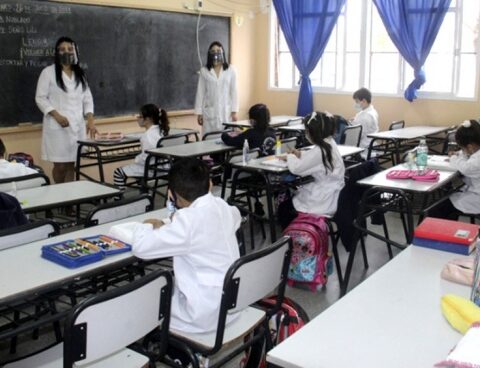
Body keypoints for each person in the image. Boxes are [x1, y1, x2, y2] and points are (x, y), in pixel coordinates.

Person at [131, 157, 241, 333]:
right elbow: (234, 217)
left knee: (143, 302)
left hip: (204, 314)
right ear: (210, 184)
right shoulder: (222, 206)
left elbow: (141, 248)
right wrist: (176, 220)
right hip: (234, 304)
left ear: (172, 195)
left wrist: (146, 225)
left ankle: (176, 354)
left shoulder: (189, 222)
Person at [35, 36, 97, 184]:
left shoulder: (80, 74)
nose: (66, 52)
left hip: (77, 126)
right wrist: (56, 115)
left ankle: (70, 202)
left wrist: (90, 121)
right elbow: (40, 98)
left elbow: (87, 98)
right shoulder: (48, 72)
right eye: (62, 49)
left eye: (70, 49)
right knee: (60, 165)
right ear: (57, 52)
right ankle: (59, 194)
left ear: (75, 52)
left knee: (72, 164)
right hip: (58, 127)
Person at [278, 112, 346, 229]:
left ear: (314, 133)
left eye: (307, 131)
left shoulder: (320, 150)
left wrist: (290, 157)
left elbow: (297, 169)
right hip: (334, 193)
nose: (306, 134)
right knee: (294, 197)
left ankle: (294, 238)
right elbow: (313, 158)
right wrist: (299, 154)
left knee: (284, 208)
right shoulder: (329, 143)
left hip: (323, 199)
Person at [430, 119, 480, 220]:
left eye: (462, 148)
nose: (461, 150)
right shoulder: (475, 151)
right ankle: (450, 232)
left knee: (437, 210)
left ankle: (442, 233)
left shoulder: (476, 161)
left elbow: (465, 168)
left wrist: (454, 157)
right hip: (474, 191)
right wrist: (460, 154)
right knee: (446, 204)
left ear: (470, 147)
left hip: (477, 198)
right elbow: (465, 155)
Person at [113, 104, 169, 188]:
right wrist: (125, 135)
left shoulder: (147, 136)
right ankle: (143, 194)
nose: (138, 119)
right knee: (136, 169)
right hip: (164, 167)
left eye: (140, 116)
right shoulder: (160, 130)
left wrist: (136, 158)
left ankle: (119, 198)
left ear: (147, 119)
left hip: (152, 169)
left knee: (118, 172)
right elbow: (142, 136)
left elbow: (145, 159)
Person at [194, 41, 238, 135]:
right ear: (209, 54)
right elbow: (200, 92)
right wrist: (199, 113)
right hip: (210, 114)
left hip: (226, 113)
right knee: (209, 141)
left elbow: (234, 92)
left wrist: (234, 111)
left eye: (218, 50)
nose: (216, 53)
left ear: (223, 52)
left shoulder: (231, 69)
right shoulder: (204, 71)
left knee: (227, 140)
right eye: (213, 51)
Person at [351, 87, 379, 155]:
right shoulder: (372, 111)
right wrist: (354, 121)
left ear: (363, 101)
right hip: (369, 144)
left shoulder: (366, 116)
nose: (355, 104)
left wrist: (353, 124)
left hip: (363, 148)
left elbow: (358, 135)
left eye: (357, 101)